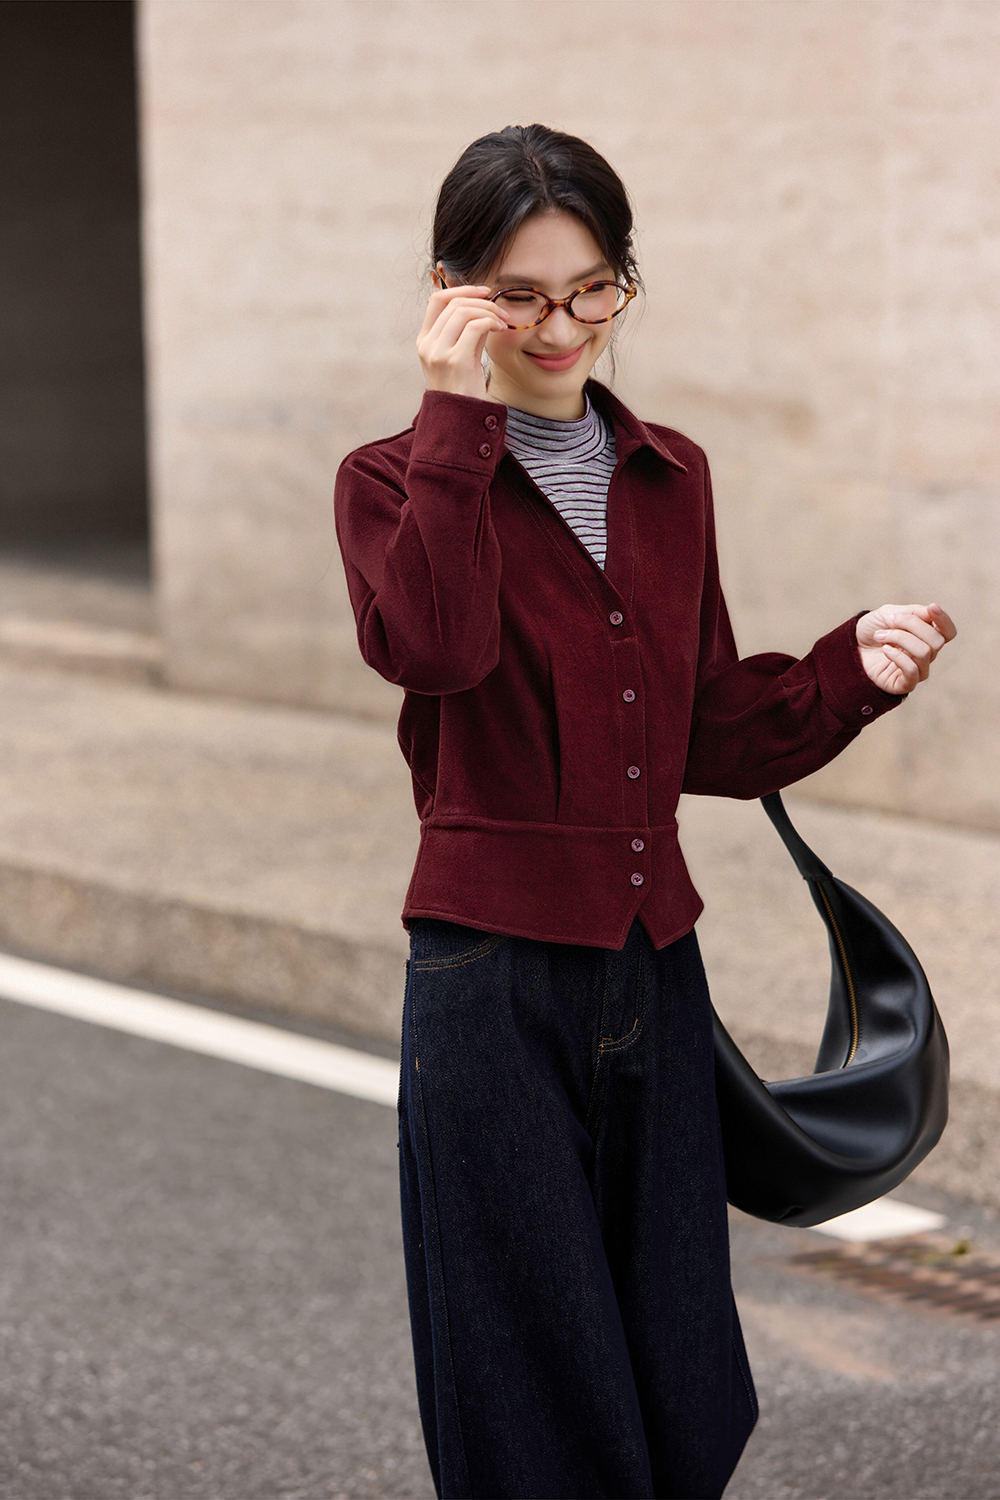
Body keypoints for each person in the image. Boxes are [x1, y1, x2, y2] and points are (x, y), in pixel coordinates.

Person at [333, 124, 956, 1500]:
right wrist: (456, 420)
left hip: (653, 970)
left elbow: (709, 731)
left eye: (593, 288)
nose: (561, 328)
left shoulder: (671, 474)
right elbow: (430, 649)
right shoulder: (393, 478)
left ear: (623, 279)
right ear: (450, 292)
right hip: (492, 982)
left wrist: (848, 672)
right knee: (530, 1385)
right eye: (520, 295)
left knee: (680, 1370)